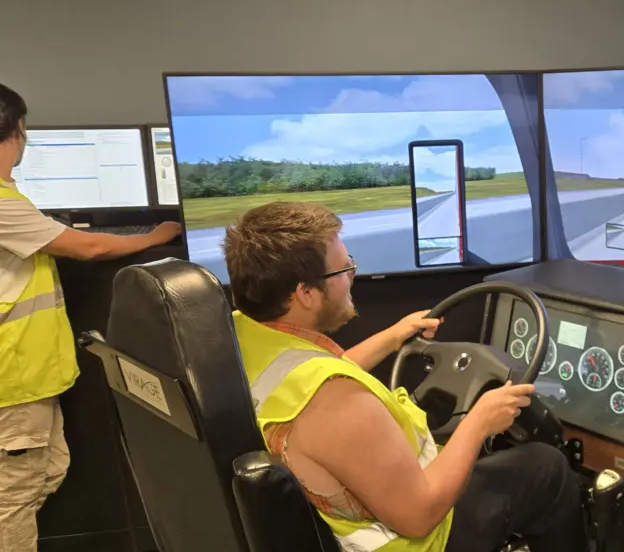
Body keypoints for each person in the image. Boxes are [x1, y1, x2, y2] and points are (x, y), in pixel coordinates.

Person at [224, 201, 588, 552]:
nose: (352, 274)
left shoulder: (243, 338)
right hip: (419, 539)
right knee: (546, 468)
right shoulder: (333, 399)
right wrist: (479, 422)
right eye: (343, 270)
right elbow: (420, 516)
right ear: (304, 293)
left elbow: (307, 377)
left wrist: (392, 337)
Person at [0, 84, 182, 552]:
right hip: (12, 381)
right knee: (14, 497)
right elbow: (90, 246)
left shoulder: (8, 196)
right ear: (17, 133)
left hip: (31, 378)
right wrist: (153, 236)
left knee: (48, 471)